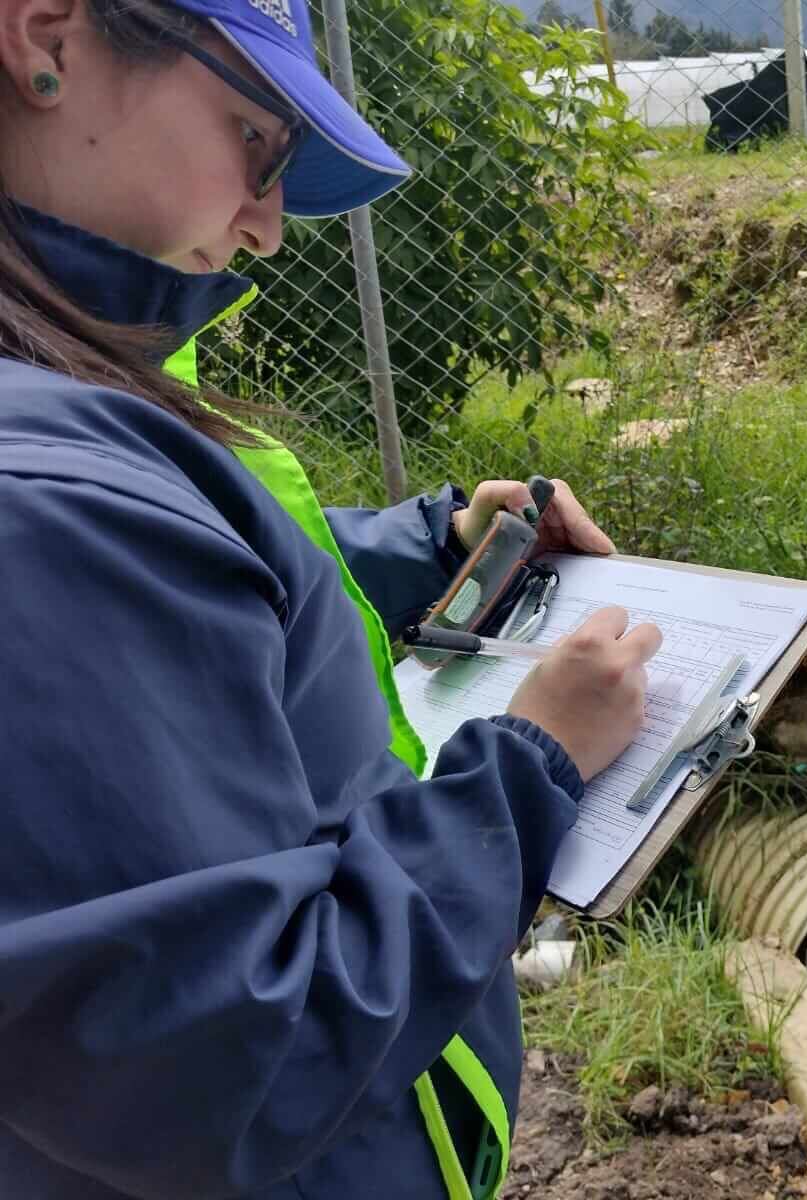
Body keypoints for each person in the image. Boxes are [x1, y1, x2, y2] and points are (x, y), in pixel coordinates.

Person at [0, 0, 662, 1196]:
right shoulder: (43, 509)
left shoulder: (63, 374)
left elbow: (195, 577)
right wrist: (530, 764)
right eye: (256, 141)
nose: (265, 229)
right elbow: (239, 1051)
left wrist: (431, 546)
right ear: (46, 38)